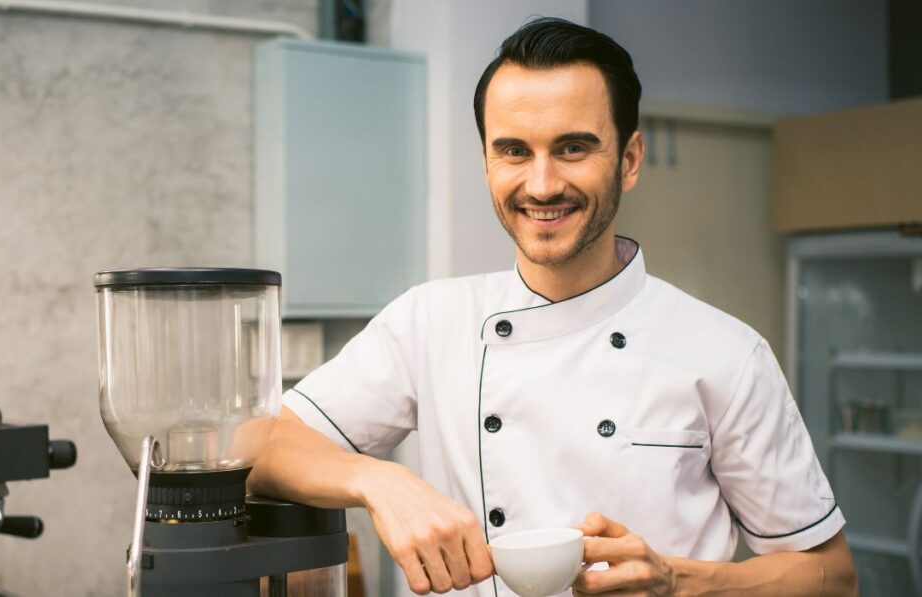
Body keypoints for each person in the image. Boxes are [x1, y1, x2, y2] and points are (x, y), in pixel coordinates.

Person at [248, 17, 857, 596]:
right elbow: (261, 448)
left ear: (630, 159)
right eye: (513, 150)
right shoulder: (430, 321)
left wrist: (679, 584)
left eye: (572, 148)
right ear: (486, 161)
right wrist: (379, 481)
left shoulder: (726, 351)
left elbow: (830, 576)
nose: (541, 185)